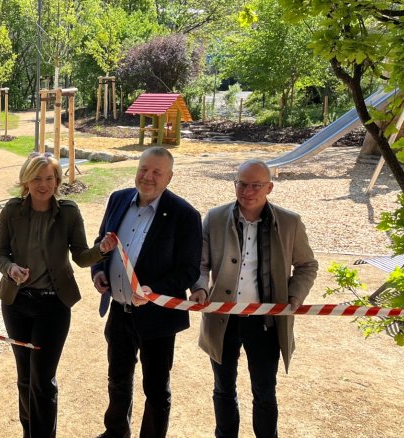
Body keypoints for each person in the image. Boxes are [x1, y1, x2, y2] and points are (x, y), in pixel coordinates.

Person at [188, 159, 317, 438]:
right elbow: (200, 264)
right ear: (235, 184)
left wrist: (295, 295)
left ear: (269, 187)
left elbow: (307, 265)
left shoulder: (290, 222)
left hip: (267, 323)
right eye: (242, 184)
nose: (247, 191)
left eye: (256, 185)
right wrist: (199, 288)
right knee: (223, 389)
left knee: (265, 392)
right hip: (223, 321)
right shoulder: (215, 217)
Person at [0, 152, 118, 438]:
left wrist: (102, 250)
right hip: (17, 304)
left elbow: (82, 257)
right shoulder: (12, 211)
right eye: (37, 178)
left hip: (53, 306)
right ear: (26, 180)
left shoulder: (69, 212)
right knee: (25, 377)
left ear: (57, 180)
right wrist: (10, 268)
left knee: (43, 380)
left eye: (49, 178)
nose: (43, 184)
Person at [91, 146, 202, 438]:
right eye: (143, 169)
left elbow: (189, 270)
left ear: (169, 178)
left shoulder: (185, 215)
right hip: (119, 311)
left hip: (158, 316)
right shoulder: (118, 199)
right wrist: (98, 272)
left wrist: (155, 291)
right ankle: (115, 432)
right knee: (117, 379)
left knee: (155, 388)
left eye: (156, 172)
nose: (148, 177)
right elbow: (101, 243)